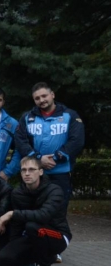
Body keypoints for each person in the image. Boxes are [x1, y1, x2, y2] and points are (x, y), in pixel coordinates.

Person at [0, 156, 71, 266]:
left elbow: (43, 215)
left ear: (40, 172)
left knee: (32, 226)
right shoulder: (18, 193)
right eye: (23, 170)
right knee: (3, 258)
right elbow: (17, 224)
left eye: (31, 169)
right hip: (32, 235)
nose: (27, 173)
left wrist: (12, 214)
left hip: (58, 235)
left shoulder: (54, 190)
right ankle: (39, 259)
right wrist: (14, 249)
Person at [13, 82, 85, 214]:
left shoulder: (70, 115)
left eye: (44, 96)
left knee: (58, 211)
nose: (41, 100)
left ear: (52, 95)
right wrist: (38, 159)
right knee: (32, 210)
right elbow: (20, 140)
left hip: (61, 173)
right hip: (34, 173)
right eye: (37, 98)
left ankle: (57, 235)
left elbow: (77, 140)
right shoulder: (27, 117)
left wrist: (57, 157)